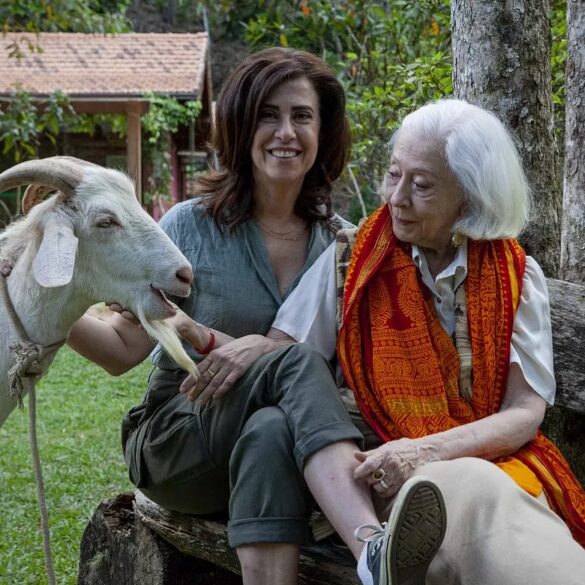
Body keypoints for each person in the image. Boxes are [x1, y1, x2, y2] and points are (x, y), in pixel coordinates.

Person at [68, 47, 445, 585]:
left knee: (269, 427)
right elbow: (120, 349)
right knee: (296, 361)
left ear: (323, 131)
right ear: (242, 126)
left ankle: (365, 557)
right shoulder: (188, 226)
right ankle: (370, 543)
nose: (285, 132)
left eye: (302, 116)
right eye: (268, 115)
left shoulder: (346, 245)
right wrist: (51, 309)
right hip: (184, 438)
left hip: (288, 452)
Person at [261, 98, 585, 584]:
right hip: (387, 477)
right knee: (468, 507)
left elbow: (524, 413)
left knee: (491, 502)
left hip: (491, 464)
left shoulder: (514, 275)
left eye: (422, 185)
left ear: (469, 196)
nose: (397, 197)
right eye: (394, 174)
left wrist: (426, 450)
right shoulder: (353, 261)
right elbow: (285, 354)